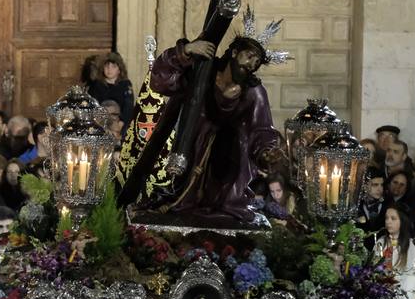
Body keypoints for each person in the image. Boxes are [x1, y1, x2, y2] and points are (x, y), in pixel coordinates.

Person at [129, 31, 285, 225]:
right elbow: (161, 82)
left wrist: (267, 151)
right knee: (183, 201)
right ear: (235, 52)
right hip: (194, 149)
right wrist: (186, 50)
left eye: (257, 62)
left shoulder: (254, 92)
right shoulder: (203, 73)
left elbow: (261, 129)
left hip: (231, 159)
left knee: (226, 206)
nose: (252, 64)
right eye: (250, 56)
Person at [86, 52, 135, 124]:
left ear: (119, 70)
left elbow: (128, 106)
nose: (109, 69)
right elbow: (92, 105)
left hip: (120, 122)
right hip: (101, 122)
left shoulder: (125, 85)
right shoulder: (96, 85)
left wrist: (122, 122)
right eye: (107, 66)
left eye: (113, 67)